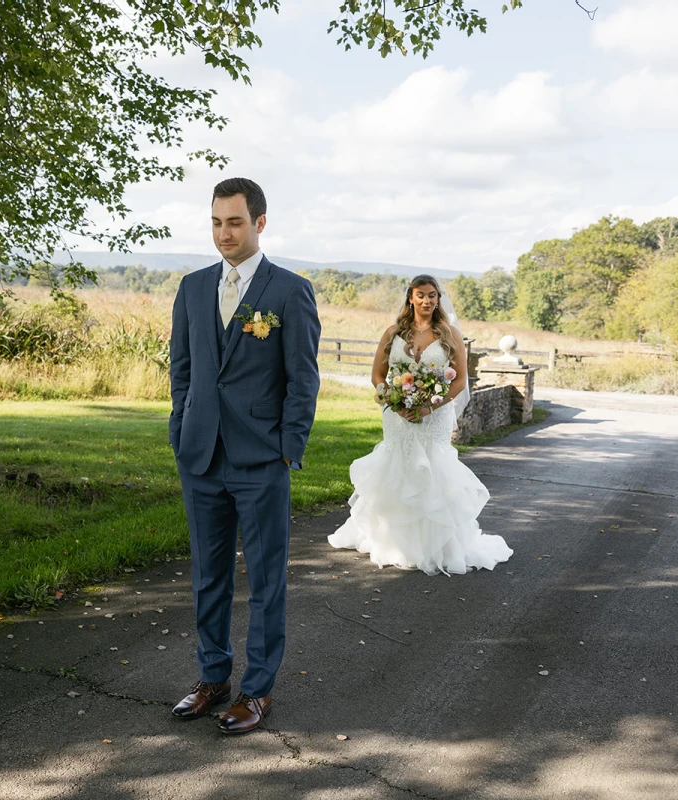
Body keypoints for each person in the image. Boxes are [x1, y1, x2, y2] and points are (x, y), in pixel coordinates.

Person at [167, 177, 321, 735]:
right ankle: (213, 679)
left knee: (265, 580)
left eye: (234, 222)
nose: (223, 233)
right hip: (200, 457)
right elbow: (181, 370)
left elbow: (303, 379)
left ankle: (257, 691)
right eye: (215, 222)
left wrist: (287, 449)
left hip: (261, 462)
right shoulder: (191, 287)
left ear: (259, 222)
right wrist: (180, 429)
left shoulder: (288, 291)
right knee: (208, 575)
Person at [327, 274, 512, 575]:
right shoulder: (393, 333)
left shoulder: (449, 335)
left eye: (432, 295)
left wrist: (430, 405)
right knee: (397, 468)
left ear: (439, 299)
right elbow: (377, 375)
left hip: (434, 416)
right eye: (420, 295)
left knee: (433, 470)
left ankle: (435, 545)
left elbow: (461, 380)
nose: (426, 300)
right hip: (397, 416)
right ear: (410, 298)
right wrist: (392, 398)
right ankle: (393, 542)